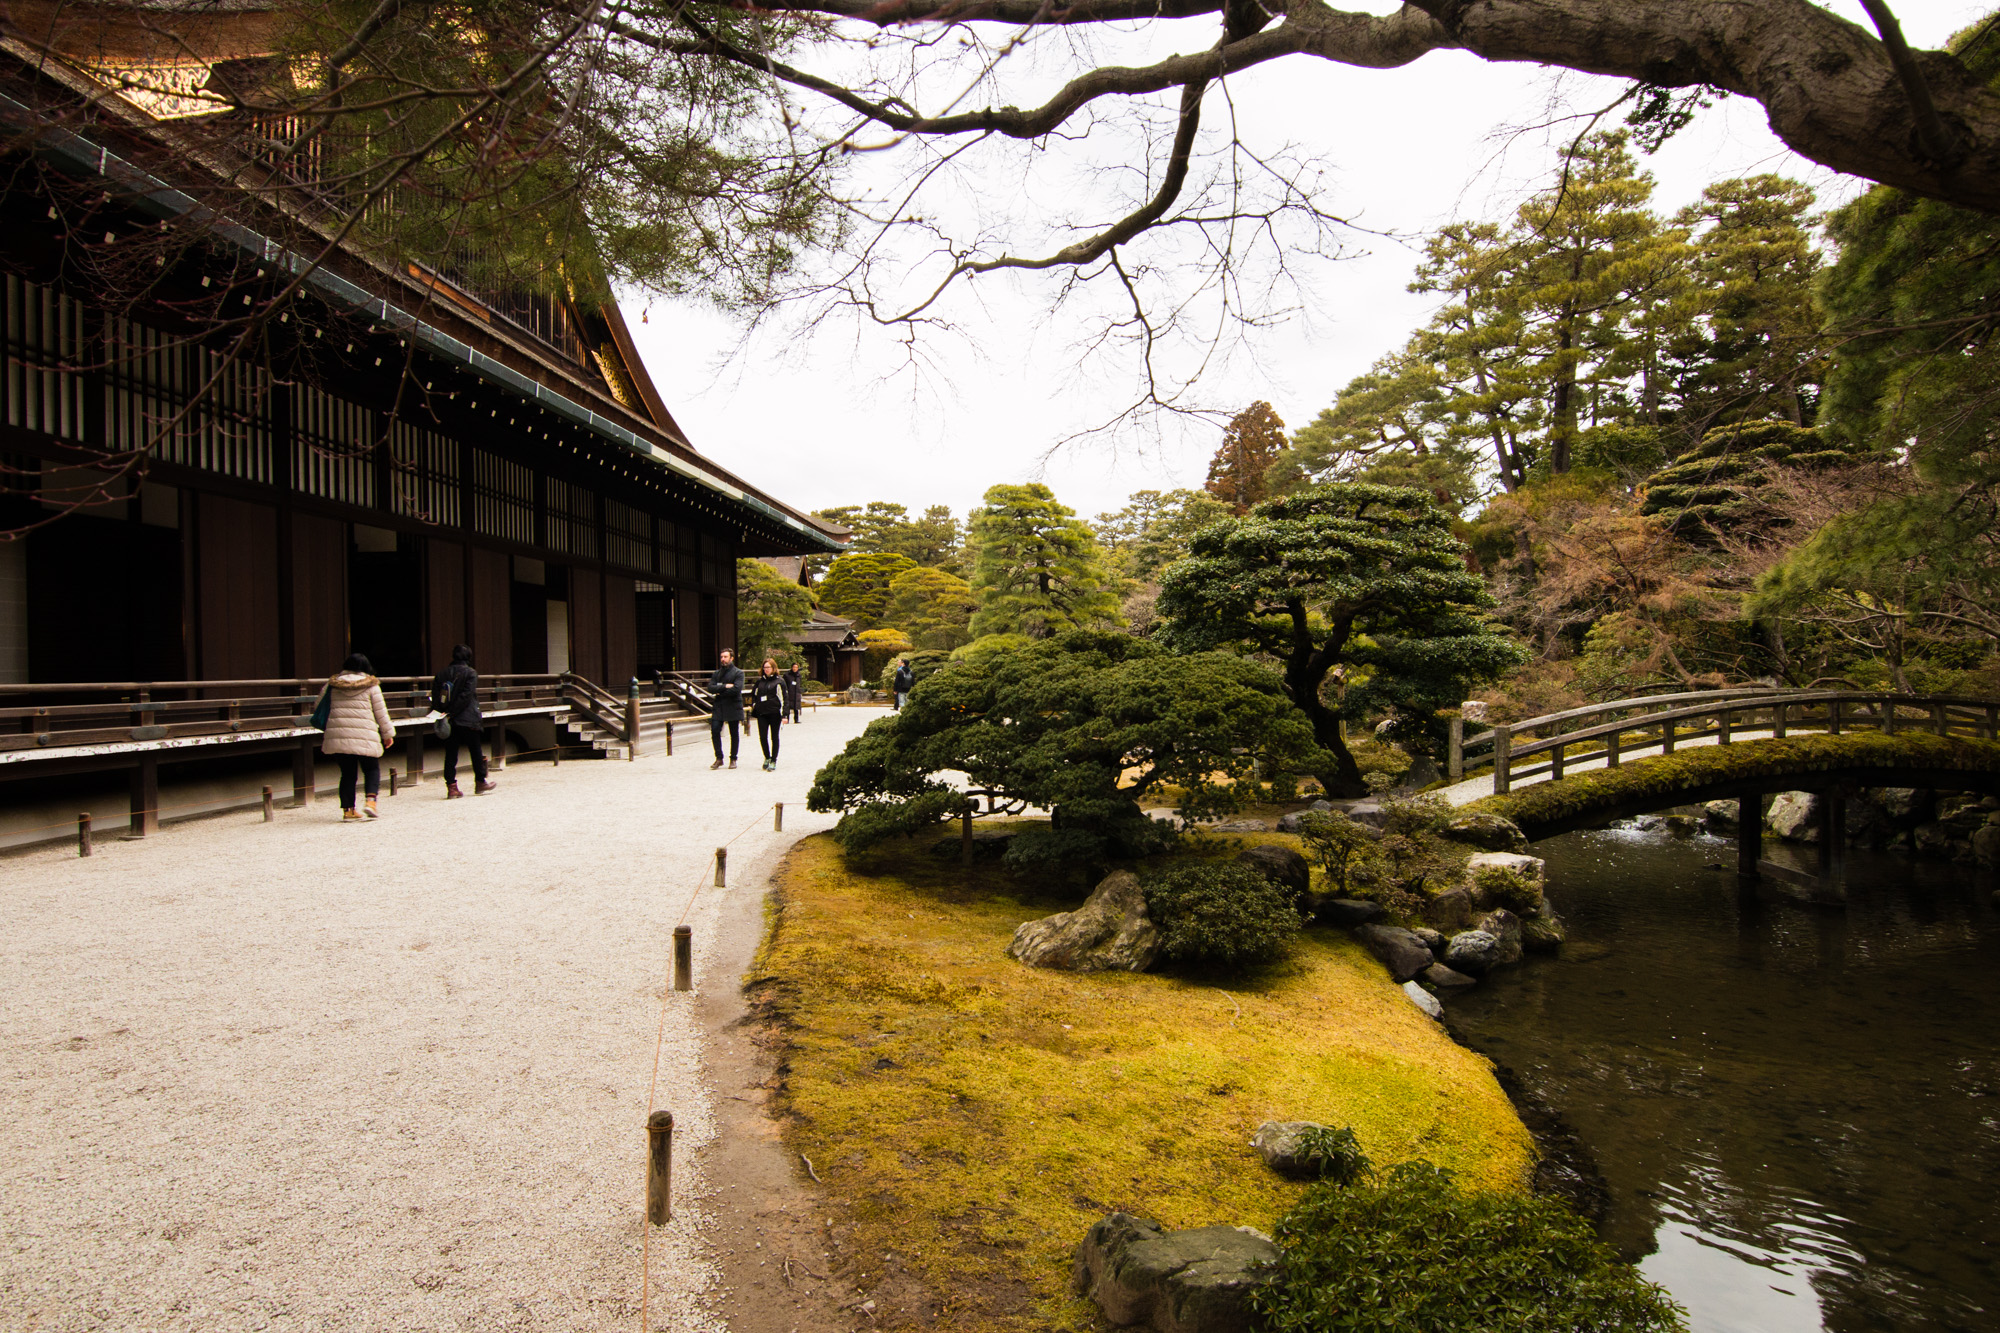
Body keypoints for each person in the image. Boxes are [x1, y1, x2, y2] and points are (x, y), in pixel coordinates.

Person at [318, 652, 396, 821]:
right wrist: (388, 734)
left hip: (339, 734)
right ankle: (370, 802)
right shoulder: (372, 686)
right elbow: (381, 713)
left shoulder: (331, 685)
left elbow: (319, 706)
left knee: (347, 773)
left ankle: (348, 810)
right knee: (371, 768)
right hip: (365, 734)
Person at [431, 643, 497, 798]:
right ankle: (480, 782)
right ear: (469, 657)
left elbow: (435, 697)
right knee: (475, 750)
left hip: (448, 718)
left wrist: (444, 713)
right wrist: (455, 711)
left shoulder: (441, 674)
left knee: (451, 753)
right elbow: (466, 695)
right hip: (467, 717)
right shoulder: (471, 673)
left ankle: (451, 787)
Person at [708, 648, 745, 769]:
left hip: (733, 705)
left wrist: (720, 691)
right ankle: (719, 757)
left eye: (725, 657)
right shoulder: (716, 673)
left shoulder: (738, 673)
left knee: (734, 733)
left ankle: (733, 758)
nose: (723, 659)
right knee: (714, 730)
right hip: (719, 706)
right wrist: (724, 686)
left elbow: (736, 689)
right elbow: (710, 688)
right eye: (722, 657)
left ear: (731, 658)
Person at [750, 659, 786, 771]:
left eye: (768, 667)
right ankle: (767, 757)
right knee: (762, 736)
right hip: (762, 713)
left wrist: (784, 714)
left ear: (773, 668)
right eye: (765, 667)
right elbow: (754, 695)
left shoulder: (779, 681)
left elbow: (784, 698)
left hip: (774, 713)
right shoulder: (759, 682)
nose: (766, 669)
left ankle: (774, 760)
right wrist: (755, 705)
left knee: (774, 737)